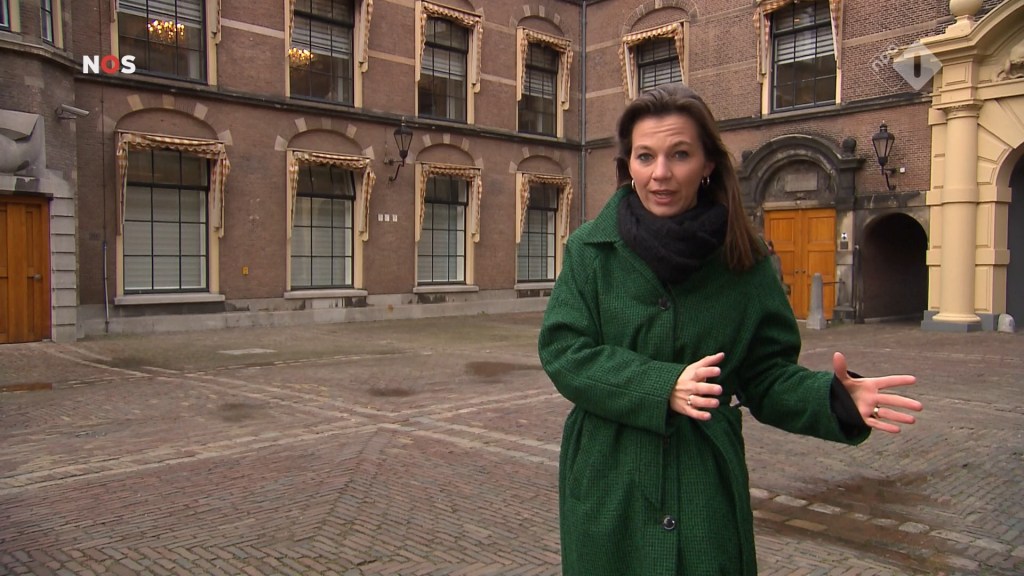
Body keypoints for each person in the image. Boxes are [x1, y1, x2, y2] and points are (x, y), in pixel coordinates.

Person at [537, 83, 923, 576]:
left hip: (704, 482)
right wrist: (661, 386)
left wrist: (831, 400)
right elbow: (564, 351)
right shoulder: (591, 250)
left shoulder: (745, 259)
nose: (660, 173)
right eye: (645, 156)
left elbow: (765, 375)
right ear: (628, 164)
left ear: (707, 164)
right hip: (609, 477)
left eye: (680, 154)